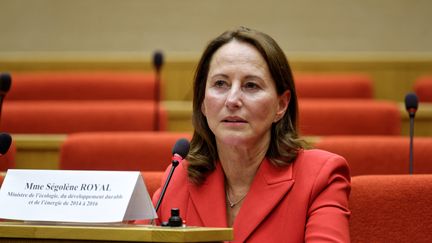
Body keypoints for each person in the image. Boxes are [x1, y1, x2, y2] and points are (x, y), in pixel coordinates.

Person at [153, 26, 351, 242]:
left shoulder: (319, 177)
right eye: (220, 84)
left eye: (251, 85)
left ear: (281, 105)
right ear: (203, 102)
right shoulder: (179, 178)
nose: (232, 100)